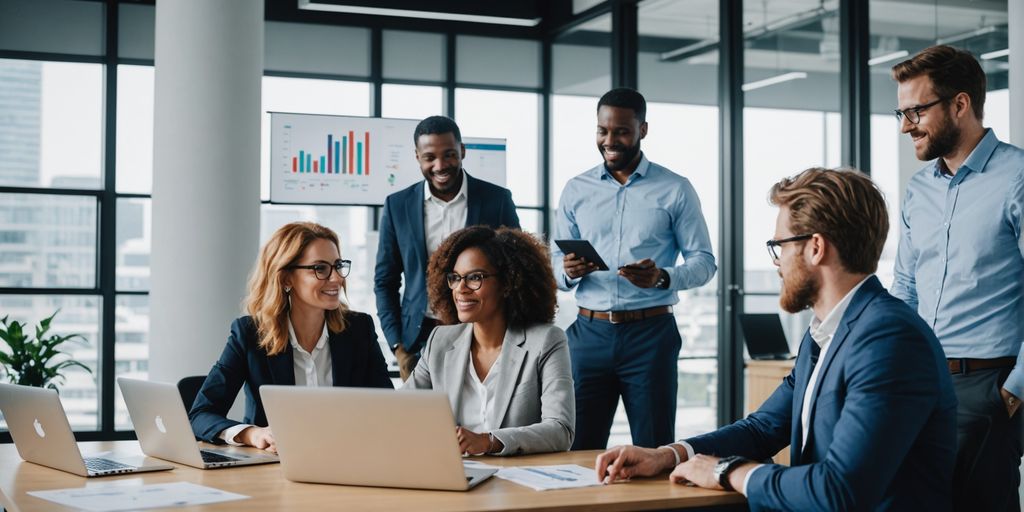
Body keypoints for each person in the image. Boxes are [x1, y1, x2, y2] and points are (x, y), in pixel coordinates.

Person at [595, 168, 958, 511]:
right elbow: (762, 428)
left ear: (815, 247)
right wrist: (667, 455)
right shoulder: (825, 332)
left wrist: (727, 471)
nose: (777, 262)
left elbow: (840, 490)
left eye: (779, 245)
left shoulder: (889, 339)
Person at [889, 44, 1024, 511]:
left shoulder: (1017, 177)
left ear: (960, 104)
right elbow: (905, 288)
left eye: (916, 112)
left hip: (988, 386)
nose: (906, 126)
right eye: (901, 113)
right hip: (922, 383)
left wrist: (1013, 391)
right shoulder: (918, 190)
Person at [550, 87, 716, 450]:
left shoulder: (675, 189)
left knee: (653, 448)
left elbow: (705, 262)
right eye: (602, 131)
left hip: (650, 336)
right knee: (576, 446)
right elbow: (553, 264)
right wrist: (567, 271)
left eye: (621, 131)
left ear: (643, 130)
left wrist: (662, 277)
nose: (610, 141)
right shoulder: (576, 190)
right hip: (588, 335)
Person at [189, 222, 393, 452]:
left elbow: (388, 409)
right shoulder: (250, 333)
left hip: (346, 456)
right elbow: (200, 415)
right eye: (320, 268)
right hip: (275, 464)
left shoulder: (358, 330)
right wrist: (252, 434)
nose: (336, 278)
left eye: (338, 266)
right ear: (286, 278)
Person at [404, 226, 574, 456]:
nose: (461, 289)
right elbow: (400, 410)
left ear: (507, 283)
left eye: (475, 277)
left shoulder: (546, 341)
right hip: (454, 471)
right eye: (455, 278)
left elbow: (560, 430)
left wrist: (488, 441)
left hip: (516, 474)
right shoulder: (440, 341)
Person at [375, 115, 521, 381]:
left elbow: (517, 270)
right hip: (418, 339)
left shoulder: (497, 200)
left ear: (462, 151)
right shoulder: (397, 205)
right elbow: (385, 281)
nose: (440, 165)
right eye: (429, 157)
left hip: (482, 333)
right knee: (422, 410)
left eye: (449, 155)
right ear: (417, 157)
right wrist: (397, 346)